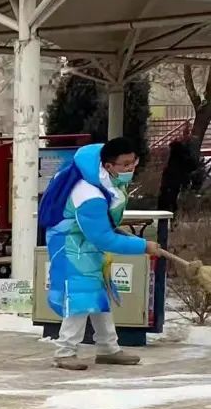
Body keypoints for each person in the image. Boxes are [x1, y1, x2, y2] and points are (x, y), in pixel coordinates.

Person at [43, 138, 157, 371]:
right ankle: (65, 352)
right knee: (80, 296)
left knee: (98, 295)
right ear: (108, 165)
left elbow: (102, 228)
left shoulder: (107, 180)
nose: (131, 168)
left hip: (85, 242)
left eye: (133, 162)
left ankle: (108, 348)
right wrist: (143, 246)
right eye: (125, 164)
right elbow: (103, 238)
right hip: (70, 246)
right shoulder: (89, 194)